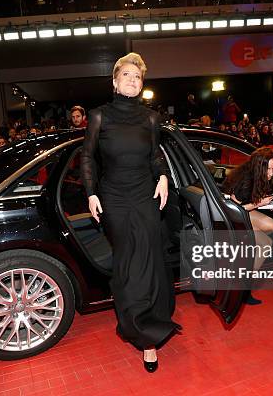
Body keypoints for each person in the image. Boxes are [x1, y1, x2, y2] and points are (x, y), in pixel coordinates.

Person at [80, 52, 180, 373]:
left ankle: (149, 335)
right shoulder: (99, 116)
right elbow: (87, 158)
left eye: (137, 77)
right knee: (129, 262)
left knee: (149, 259)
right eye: (127, 75)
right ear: (114, 81)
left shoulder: (151, 118)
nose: (133, 81)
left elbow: (155, 156)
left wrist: (163, 175)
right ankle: (139, 328)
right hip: (114, 198)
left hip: (145, 195)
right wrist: (91, 193)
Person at [222, 147, 273, 305]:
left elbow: (247, 202)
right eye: (268, 169)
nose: (271, 173)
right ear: (258, 166)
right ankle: (240, 287)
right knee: (267, 236)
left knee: (267, 237)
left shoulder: (258, 176)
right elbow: (234, 209)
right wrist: (259, 203)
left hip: (242, 211)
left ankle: (242, 286)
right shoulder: (245, 178)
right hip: (229, 217)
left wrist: (264, 204)